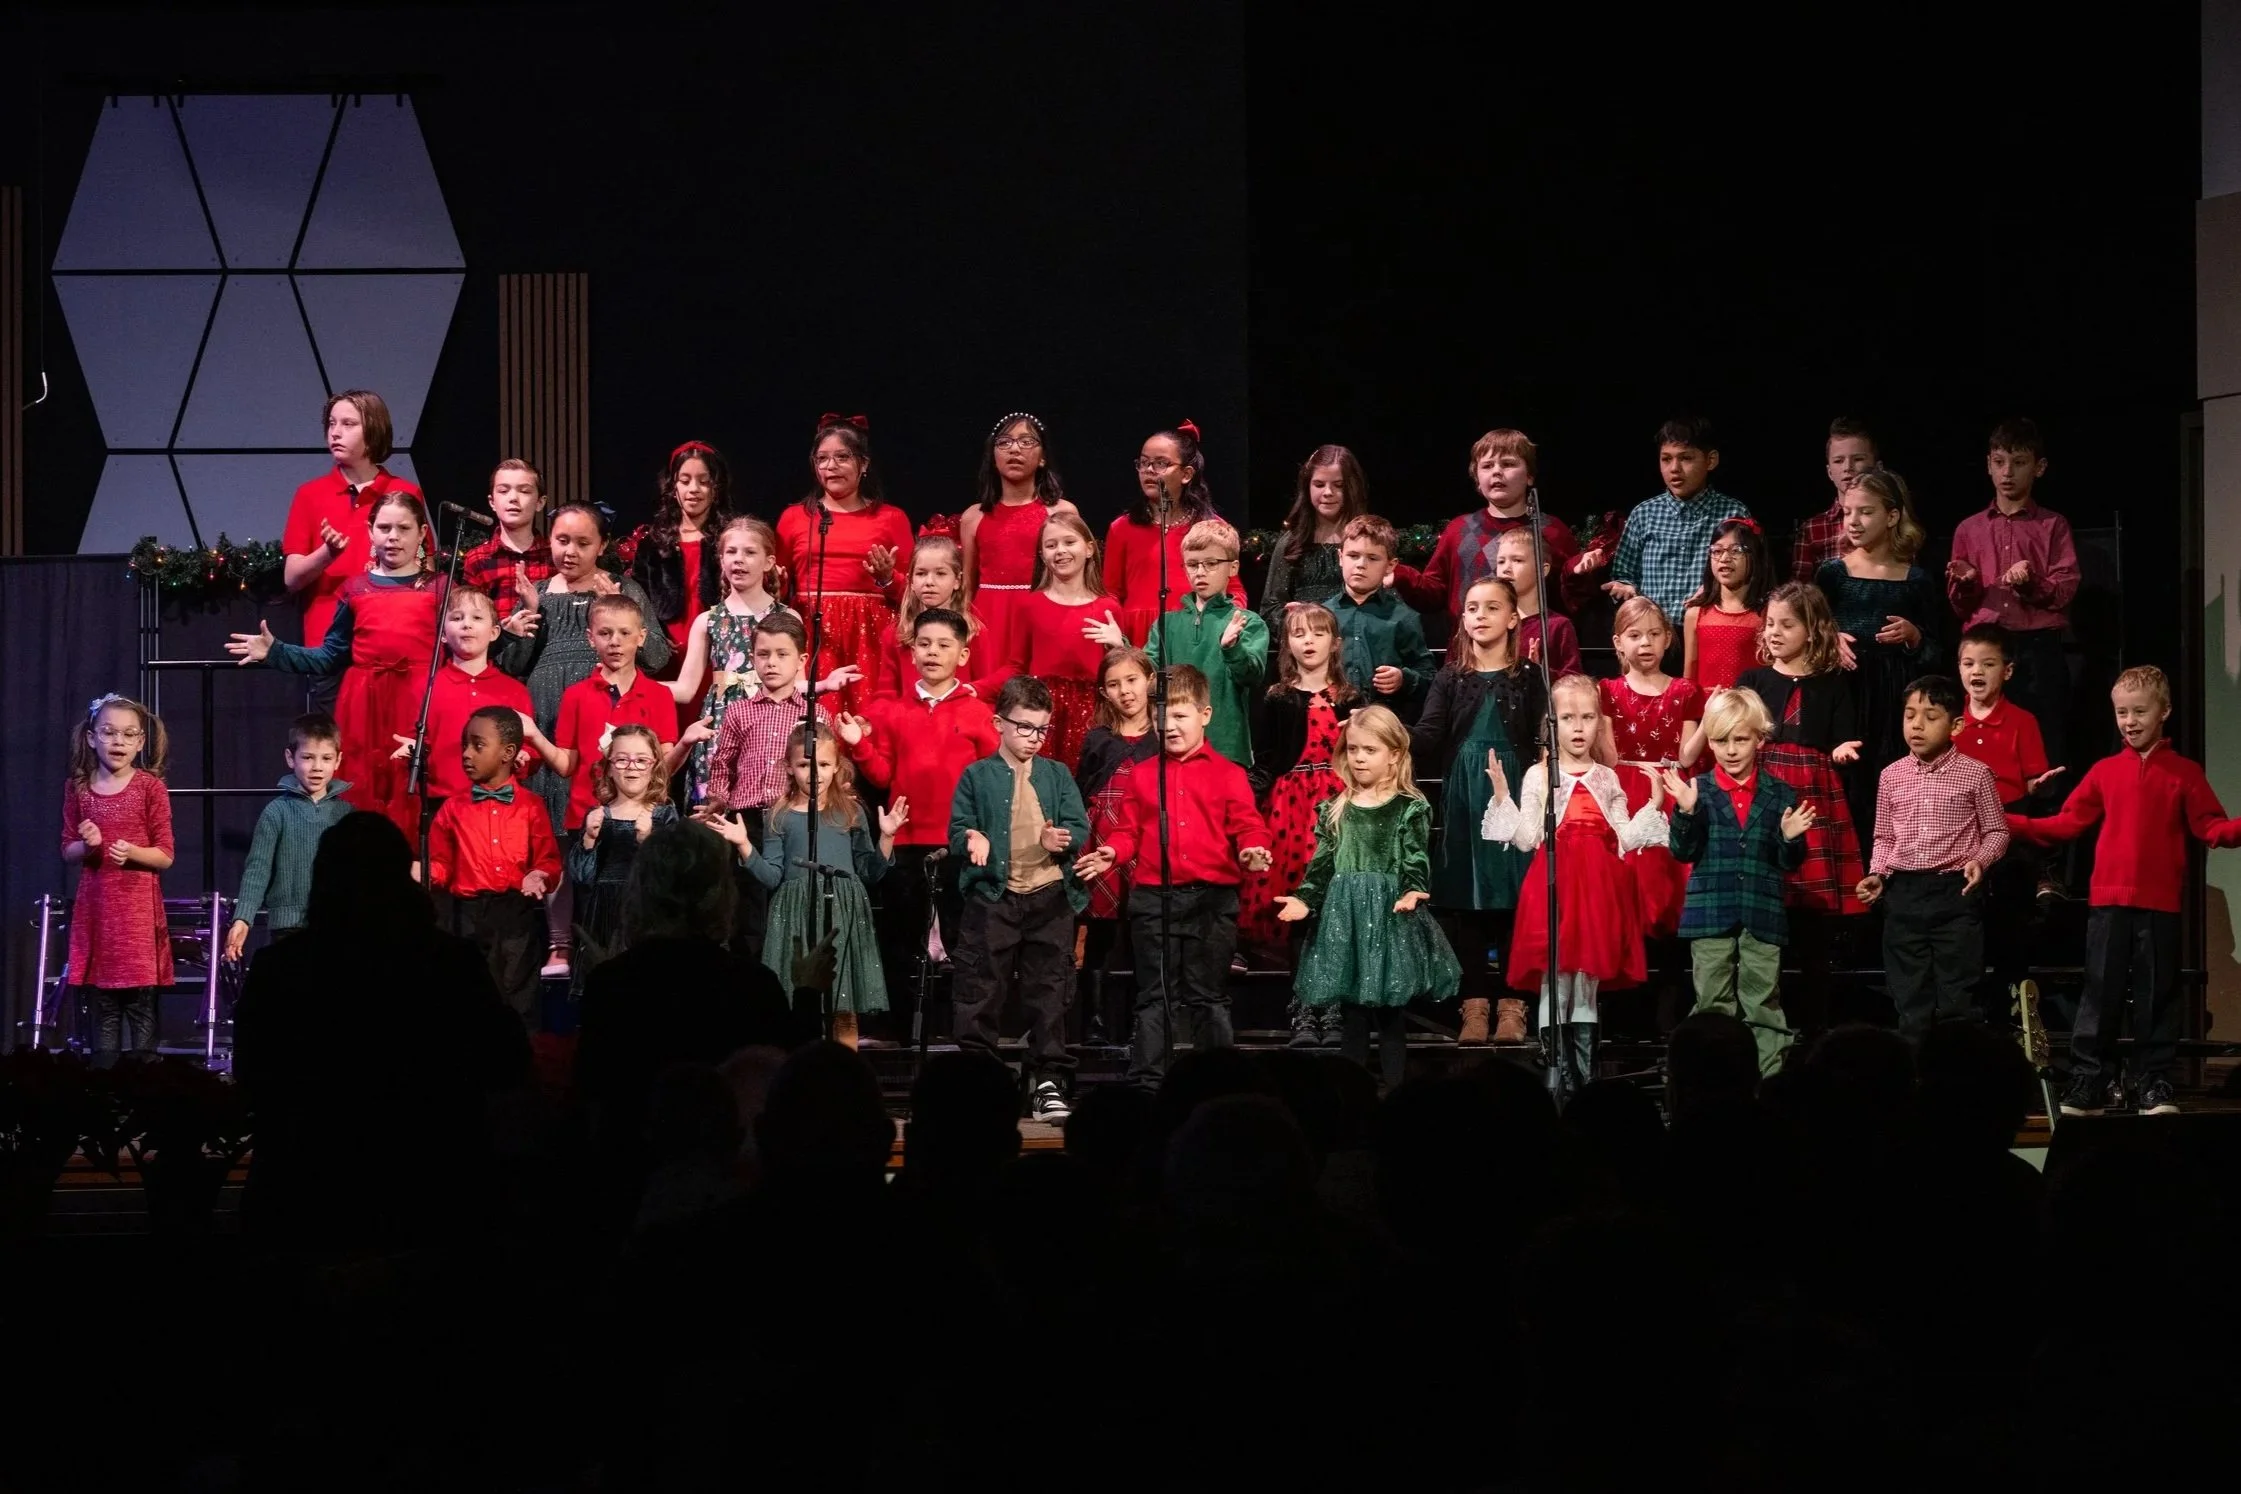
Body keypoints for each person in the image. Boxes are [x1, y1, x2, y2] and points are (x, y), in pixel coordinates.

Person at [232, 811, 529, 1249]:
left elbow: (254, 1076)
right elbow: (507, 1061)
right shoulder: (451, 962)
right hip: (433, 1188)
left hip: (307, 1190)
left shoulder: (282, 968)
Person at [2006, 667, 2241, 1115]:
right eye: (2121, 712)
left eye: (2139, 711)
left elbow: (2211, 827)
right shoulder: (2104, 772)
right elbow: (2066, 824)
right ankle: (2089, 1082)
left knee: (2158, 996)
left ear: (2164, 711)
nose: (2129, 721)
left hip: (2159, 904)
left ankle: (2153, 1082)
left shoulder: (2184, 773)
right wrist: (2010, 822)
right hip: (2108, 903)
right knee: (2100, 993)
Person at [1074, 664, 1273, 1088]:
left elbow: (1247, 825)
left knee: (1208, 997)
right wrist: (1113, 851)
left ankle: (1218, 1084)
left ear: (1205, 714)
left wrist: (1253, 849)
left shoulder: (1229, 774)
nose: (1169, 725)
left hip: (1211, 900)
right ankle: (1148, 1084)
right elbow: (1128, 829)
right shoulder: (1144, 775)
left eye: (1180, 715)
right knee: (1154, 997)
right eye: (1162, 715)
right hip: (1153, 898)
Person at [495, 502, 672, 978]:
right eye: (561, 541)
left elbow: (655, 654)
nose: (569, 552)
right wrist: (523, 620)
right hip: (554, 715)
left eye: (582, 543)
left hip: (608, 716)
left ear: (603, 547)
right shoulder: (537, 592)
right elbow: (512, 665)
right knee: (556, 833)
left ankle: (618, 935)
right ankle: (559, 943)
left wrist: (617, 598)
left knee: (602, 827)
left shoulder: (622, 588)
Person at [229, 489, 462, 842]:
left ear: (421, 534)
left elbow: (466, 646)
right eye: (384, 528)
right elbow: (329, 656)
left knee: (412, 795)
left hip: (418, 704)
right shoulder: (357, 589)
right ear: (370, 533)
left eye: (403, 528)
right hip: (362, 706)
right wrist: (276, 651)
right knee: (362, 797)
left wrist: (506, 633)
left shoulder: (440, 589)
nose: (393, 537)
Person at [1483, 674, 1670, 1099]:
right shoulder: (1538, 775)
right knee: (1556, 979)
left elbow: (1624, 836)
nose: (1579, 727)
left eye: (1587, 717)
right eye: (1568, 718)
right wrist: (1501, 795)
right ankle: (1557, 1075)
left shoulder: (1606, 777)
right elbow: (1529, 837)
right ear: (1553, 723)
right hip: (1555, 887)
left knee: (1586, 983)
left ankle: (1583, 1080)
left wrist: (1654, 806)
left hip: (1599, 890)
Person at [1277, 705, 1461, 1089]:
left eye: (1370, 750)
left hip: (1388, 917)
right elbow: (1322, 866)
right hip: (1346, 917)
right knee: (1353, 1014)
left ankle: (1395, 1092)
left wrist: (1413, 889)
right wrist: (1305, 900)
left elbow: (1415, 856)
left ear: (1394, 755)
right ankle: (1352, 1094)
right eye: (1354, 749)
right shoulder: (1334, 809)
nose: (1359, 757)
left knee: (1391, 1014)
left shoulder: (1408, 807)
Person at [838, 606, 1000, 1023]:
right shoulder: (895, 711)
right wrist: (859, 745)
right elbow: (883, 772)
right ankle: (899, 1026)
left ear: (963, 655)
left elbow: (992, 782)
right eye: (924, 644)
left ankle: (960, 1026)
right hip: (907, 840)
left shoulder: (979, 714)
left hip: (958, 842)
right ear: (911, 653)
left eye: (944, 645)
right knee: (901, 936)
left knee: (962, 936)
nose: (933, 653)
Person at [947, 676, 1095, 1119]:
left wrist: (1060, 840)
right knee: (980, 988)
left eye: (1041, 729)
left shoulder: (1056, 774)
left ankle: (1048, 1081)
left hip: (1048, 896)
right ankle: (980, 1082)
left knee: (1050, 991)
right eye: (1024, 727)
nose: (1033, 738)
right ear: (999, 724)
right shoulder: (978, 775)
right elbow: (958, 828)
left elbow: (1079, 826)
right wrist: (972, 838)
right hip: (995, 897)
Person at [1410, 576, 1544, 1045]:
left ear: (1513, 619)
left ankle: (1513, 1004)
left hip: (1516, 793)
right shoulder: (1451, 677)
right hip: (1466, 795)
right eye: (1471, 608)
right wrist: (1388, 732)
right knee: (1468, 902)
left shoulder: (1529, 677)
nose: (1480, 615)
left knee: (1513, 898)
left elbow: (1542, 740)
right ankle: (1474, 1006)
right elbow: (1427, 734)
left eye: (1491, 607)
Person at [721, 722, 906, 1048]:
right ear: (790, 768)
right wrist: (744, 846)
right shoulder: (778, 815)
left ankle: (845, 1080)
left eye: (823, 764)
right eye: (805, 764)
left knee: (843, 1008)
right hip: (795, 915)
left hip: (844, 915)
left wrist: (887, 837)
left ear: (837, 767)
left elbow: (869, 872)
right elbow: (772, 876)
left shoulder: (851, 811)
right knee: (798, 1005)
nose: (815, 773)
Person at [1664, 687, 1814, 1075]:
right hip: (1710, 913)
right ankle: (1711, 1081)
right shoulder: (1700, 790)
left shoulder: (1779, 792)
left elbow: (1788, 862)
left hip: (1762, 913)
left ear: (1759, 738)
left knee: (1762, 1001)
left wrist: (1790, 837)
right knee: (1713, 1002)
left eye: (1740, 739)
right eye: (1720, 740)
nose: (1730, 750)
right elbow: (1683, 851)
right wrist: (1686, 813)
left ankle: (1766, 1083)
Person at [1854, 675, 2009, 1041]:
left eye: (1930, 716)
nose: (1917, 725)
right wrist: (1878, 874)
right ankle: (1915, 1082)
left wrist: (1980, 860)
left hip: (1954, 894)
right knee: (1910, 1000)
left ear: (1955, 724)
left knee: (1960, 999)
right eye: (1909, 716)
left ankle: (1957, 1082)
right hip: (1904, 894)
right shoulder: (1891, 776)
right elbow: (1884, 836)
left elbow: (1998, 831)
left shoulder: (1975, 773)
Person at [1946, 417, 2081, 791]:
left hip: (2036, 651)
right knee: (1980, 746)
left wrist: (2032, 581)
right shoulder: (1969, 529)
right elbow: (1959, 607)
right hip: (1985, 648)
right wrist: (1967, 584)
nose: (2008, 472)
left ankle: (2042, 836)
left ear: (2038, 467)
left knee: (2044, 747)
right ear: (1989, 464)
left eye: (2019, 462)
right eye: (2000, 461)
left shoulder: (2053, 526)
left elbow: (2065, 589)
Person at [1815, 466, 1940, 844]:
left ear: (1892, 516)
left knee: (1893, 787)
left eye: (1865, 512)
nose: (1853, 521)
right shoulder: (1832, 575)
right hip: (1845, 695)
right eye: (1848, 511)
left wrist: (1915, 636)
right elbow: (1805, 638)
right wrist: (1828, 638)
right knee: (1848, 785)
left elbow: (1937, 653)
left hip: (1894, 699)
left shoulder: (1915, 579)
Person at [1243, 601, 1358, 1010]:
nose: (1308, 641)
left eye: (1318, 633)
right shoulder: (1278, 697)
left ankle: (1333, 1003)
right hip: (1291, 806)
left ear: (1335, 643)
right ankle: (1303, 1002)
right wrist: (1246, 801)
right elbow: (1269, 759)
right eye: (1298, 634)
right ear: (1287, 645)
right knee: (1296, 896)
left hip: (1338, 800)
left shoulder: (1349, 696)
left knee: (1332, 897)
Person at [700, 612, 832, 961]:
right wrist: (718, 800)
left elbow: (825, 771)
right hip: (749, 821)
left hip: (795, 820)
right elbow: (723, 763)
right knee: (749, 907)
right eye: (763, 654)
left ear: (802, 660)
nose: (771, 663)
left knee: (790, 901)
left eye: (782, 654)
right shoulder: (739, 711)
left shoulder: (815, 716)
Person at [425, 705, 562, 1033]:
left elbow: (548, 860)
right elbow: (442, 864)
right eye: (464, 746)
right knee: (468, 1000)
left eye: (478, 745)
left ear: (508, 753)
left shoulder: (531, 806)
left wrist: (539, 874)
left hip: (514, 915)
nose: (467, 754)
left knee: (519, 1002)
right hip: (467, 918)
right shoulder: (452, 808)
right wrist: (426, 871)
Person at [1736, 582, 1867, 919]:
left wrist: (1841, 752)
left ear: (1811, 631)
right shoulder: (1753, 681)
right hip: (1762, 784)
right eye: (1769, 624)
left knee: (1809, 878)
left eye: (1787, 625)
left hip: (1813, 789)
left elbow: (1842, 737)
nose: (1774, 633)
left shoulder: (1832, 683)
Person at [1953, 623, 2068, 1001]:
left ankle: (2012, 1008)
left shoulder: (2022, 721)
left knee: (2009, 927)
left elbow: (2032, 781)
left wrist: (2041, 786)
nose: (1976, 672)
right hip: (1958, 831)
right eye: (1968, 663)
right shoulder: (1951, 723)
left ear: (2008, 671)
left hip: (2008, 826)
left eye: (1987, 664)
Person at [60, 694, 175, 1066]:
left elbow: (165, 854)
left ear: (141, 741)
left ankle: (144, 1096)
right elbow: (67, 850)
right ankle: (103, 1094)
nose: (118, 742)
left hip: (137, 920)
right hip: (98, 917)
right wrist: (87, 844)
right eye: (109, 733)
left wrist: (133, 852)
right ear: (92, 737)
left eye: (128, 735)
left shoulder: (149, 788)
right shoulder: (78, 788)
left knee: (141, 1013)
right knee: (103, 1016)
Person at [775, 415, 914, 718]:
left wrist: (887, 579)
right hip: (813, 631)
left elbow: (915, 595)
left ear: (864, 464)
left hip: (871, 635)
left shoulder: (891, 518)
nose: (831, 466)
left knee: (867, 724)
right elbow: (779, 590)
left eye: (842, 457)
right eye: (822, 459)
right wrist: (776, 584)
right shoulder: (794, 518)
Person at [1576, 416, 1752, 647]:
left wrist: (1715, 589)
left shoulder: (1733, 513)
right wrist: (1625, 586)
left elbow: (1750, 573)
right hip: (1653, 638)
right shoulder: (1644, 514)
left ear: (1711, 460)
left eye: (1686, 458)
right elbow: (1624, 573)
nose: (1674, 469)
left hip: (1709, 632)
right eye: (1666, 459)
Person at [1394, 428, 1585, 631]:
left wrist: (1580, 575)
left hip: (1533, 649)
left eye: (1508, 464)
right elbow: (1433, 595)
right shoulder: (1459, 530)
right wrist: (1399, 574)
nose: (1496, 471)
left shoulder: (1551, 531)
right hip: (1470, 654)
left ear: (1529, 475)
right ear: (1477, 478)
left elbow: (1570, 600)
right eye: (1487, 466)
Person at [389, 585, 550, 825]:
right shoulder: (426, 687)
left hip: (500, 807)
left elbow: (530, 748)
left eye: (477, 618)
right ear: (443, 633)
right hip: (441, 806)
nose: (467, 624)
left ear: (495, 632)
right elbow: (410, 741)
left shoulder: (513, 691)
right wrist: (411, 750)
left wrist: (525, 756)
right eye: (456, 618)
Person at [280, 389, 423, 657]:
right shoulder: (309, 495)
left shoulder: (404, 493)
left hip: (392, 641)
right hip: (329, 646)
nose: (335, 432)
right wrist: (328, 553)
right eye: (331, 424)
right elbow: (292, 578)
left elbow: (424, 567)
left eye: (348, 424)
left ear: (373, 431)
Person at [667, 515, 795, 805]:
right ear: (721, 559)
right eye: (731, 552)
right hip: (721, 728)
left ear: (768, 561)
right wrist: (634, 683)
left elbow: (796, 684)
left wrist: (825, 684)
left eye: (750, 552)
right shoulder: (708, 620)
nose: (739, 560)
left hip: (770, 725)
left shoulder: (786, 618)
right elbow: (686, 688)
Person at [1599, 598, 1703, 938]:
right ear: (1618, 642)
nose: (1645, 643)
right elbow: (1611, 758)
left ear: (1667, 639)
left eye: (1654, 634)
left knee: (1667, 875)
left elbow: (1686, 757)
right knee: (1630, 877)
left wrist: (1711, 717)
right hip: (1626, 790)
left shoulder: (1685, 690)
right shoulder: (1608, 691)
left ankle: (1670, 975)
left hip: (1671, 786)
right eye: (1635, 635)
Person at [1074, 646, 1158, 1044]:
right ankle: (1094, 1021)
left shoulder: (1162, 738)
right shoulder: (1098, 739)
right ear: (1103, 692)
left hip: (1144, 839)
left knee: (1141, 934)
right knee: (1101, 935)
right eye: (1114, 684)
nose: (1125, 691)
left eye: (1132, 680)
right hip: (1102, 837)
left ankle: (1141, 1021)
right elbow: (1082, 790)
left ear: (1150, 681)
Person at [226, 712, 354, 963]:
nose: (317, 767)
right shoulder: (277, 812)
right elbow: (258, 869)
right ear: (290, 758)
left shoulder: (346, 813)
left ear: (338, 760)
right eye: (307, 757)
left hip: (336, 925)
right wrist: (243, 918)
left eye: (326, 758)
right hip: (288, 928)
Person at [995, 511, 1119, 768]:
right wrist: (980, 688)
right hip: (1043, 713)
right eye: (1051, 545)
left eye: (1069, 542)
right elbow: (1016, 665)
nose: (1060, 550)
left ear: (1088, 548)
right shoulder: (1030, 606)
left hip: (1092, 716)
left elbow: (1123, 669)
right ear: (1042, 555)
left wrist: (1119, 646)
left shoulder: (1108, 607)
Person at [1104, 420, 1247, 644]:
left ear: (1186, 474)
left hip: (1194, 632)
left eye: (1161, 463)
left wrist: (1220, 623)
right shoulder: (1121, 528)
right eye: (1144, 463)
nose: (1149, 470)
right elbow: (1112, 592)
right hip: (1137, 636)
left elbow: (1234, 589)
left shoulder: (1212, 528)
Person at [958, 411, 1079, 672]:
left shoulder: (1061, 512)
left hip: (1043, 614)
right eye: (1004, 442)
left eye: (1026, 442)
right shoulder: (973, 517)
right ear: (993, 456)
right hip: (988, 620)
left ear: (1043, 457)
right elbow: (967, 584)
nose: (1015, 449)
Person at [1144, 517, 1268, 764]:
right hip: (1174, 747)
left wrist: (1233, 648)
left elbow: (1252, 676)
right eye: (1192, 564)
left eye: (1211, 563)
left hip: (1226, 749)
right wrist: (1121, 647)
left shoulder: (1246, 621)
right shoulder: (1166, 623)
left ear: (1232, 568)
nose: (1200, 572)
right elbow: (1147, 673)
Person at [567, 722, 680, 975]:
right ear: (608, 768)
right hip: (606, 914)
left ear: (654, 766)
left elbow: (675, 876)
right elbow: (581, 878)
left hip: (649, 911)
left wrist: (648, 841)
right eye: (622, 760)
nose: (631, 767)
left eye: (641, 760)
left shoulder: (664, 815)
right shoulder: (598, 816)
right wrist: (588, 839)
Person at [622, 440, 733, 671]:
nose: (694, 489)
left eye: (704, 482)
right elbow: (640, 597)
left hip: (720, 646)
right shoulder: (653, 542)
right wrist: (657, 633)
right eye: (685, 481)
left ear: (716, 487)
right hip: (671, 648)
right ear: (673, 486)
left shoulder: (731, 537)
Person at [1326, 514, 1433, 720]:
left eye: (1373, 558)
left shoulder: (1403, 617)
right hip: (1330, 724)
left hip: (1383, 726)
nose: (1361, 564)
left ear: (1391, 565)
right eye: (1353, 555)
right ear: (1340, 558)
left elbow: (1428, 675)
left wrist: (1404, 678)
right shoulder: (1324, 614)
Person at [1259, 444, 1369, 638]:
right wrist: (1293, 618)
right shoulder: (1292, 542)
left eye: (1338, 485)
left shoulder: (1367, 540)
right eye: (1319, 484)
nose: (1328, 492)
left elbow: (1387, 602)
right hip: (1304, 649)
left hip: (1356, 645)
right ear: (1307, 487)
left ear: (1352, 487)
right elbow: (1270, 609)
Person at [882, 534, 986, 702]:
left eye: (940, 573)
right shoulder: (896, 633)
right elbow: (886, 694)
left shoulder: (973, 631)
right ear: (910, 581)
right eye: (921, 573)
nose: (929, 582)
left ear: (957, 581)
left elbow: (985, 688)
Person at [1683, 516, 1773, 693]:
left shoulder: (1768, 613)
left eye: (1736, 550)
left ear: (1754, 555)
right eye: (1717, 551)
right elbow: (1688, 677)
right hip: (1709, 712)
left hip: (1751, 711)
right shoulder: (1696, 613)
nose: (1724, 558)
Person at [457, 457, 551, 625]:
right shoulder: (478, 559)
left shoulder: (554, 555)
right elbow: (472, 620)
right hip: (498, 648)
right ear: (492, 502)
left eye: (524, 491)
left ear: (540, 502)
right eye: (503, 491)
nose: (513, 498)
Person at [1790, 416, 1878, 583]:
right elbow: (1801, 594)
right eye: (1839, 461)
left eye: (1858, 459)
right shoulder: (1812, 529)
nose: (1847, 468)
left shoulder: (1891, 523)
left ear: (1877, 467)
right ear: (1830, 472)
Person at [1492, 526, 1580, 677]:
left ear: (1543, 570)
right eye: (1501, 562)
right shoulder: (1488, 622)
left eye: (1517, 560)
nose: (1506, 568)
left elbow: (1575, 684)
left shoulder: (1557, 626)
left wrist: (1540, 673)